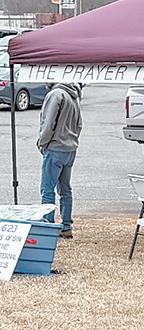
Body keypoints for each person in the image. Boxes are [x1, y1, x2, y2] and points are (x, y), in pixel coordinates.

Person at [37, 82, 82, 239]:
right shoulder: (74, 95)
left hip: (55, 148)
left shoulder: (55, 94)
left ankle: (48, 227)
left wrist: (42, 143)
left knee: (47, 190)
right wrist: (73, 140)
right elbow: (79, 124)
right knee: (65, 189)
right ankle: (66, 226)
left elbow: (48, 123)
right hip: (70, 149)